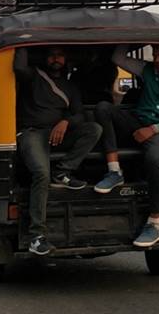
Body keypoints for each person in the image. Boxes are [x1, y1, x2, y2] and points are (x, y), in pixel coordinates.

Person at [15, 46, 100, 256]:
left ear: (66, 59)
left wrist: (65, 122)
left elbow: (79, 114)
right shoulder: (33, 76)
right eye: (52, 54)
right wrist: (22, 40)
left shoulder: (70, 87)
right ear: (45, 57)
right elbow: (18, 67)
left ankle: (63, 171)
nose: (56, 59)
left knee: (94, 129)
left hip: (57, 134)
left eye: (60, 55)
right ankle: (37, 236)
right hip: (31, 133)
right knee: (41, 174)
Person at [93, 44, 159, 248]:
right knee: (104, 108)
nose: (157, 60)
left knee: (154, 158)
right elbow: (117, 56)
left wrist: (154, 129)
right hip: (137, 122)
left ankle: (155, 222)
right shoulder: (147, 70)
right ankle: (114, 171)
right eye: (155, 55)